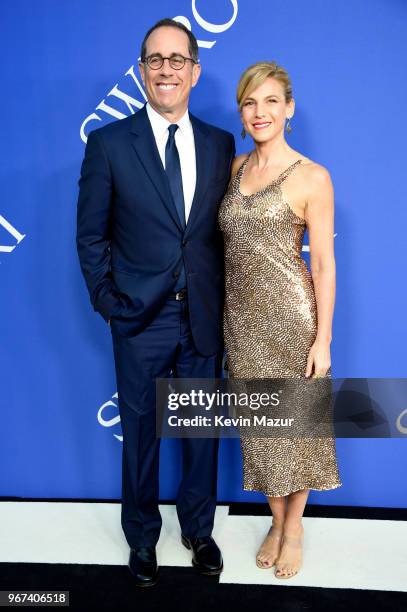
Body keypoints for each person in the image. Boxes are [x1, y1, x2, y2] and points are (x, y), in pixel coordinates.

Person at [76, 18, 235, 587]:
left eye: (176, 59)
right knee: (140, 433)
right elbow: (91, 236)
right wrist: (109, 302)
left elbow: (217, 235)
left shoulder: (221, 143)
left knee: (198, 433)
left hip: (200, 319)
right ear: (142, 70)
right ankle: (141, 536)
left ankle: (198, 530)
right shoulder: (110, 143)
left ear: (195, 70)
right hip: (138, 319)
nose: (165, 69)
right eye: (154, 59)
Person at [218, 61, 342, 579]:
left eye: (271, 101)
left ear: (289, 109)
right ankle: (275, 517)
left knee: (299, 430)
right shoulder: (235, 168)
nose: (260, 112)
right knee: (261, 432)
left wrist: (323, 339)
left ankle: (294, 528)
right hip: (241, 323)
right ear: (242, 112)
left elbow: (322, 263)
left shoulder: (313, 176)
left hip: (293, 319)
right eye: (250, 102)